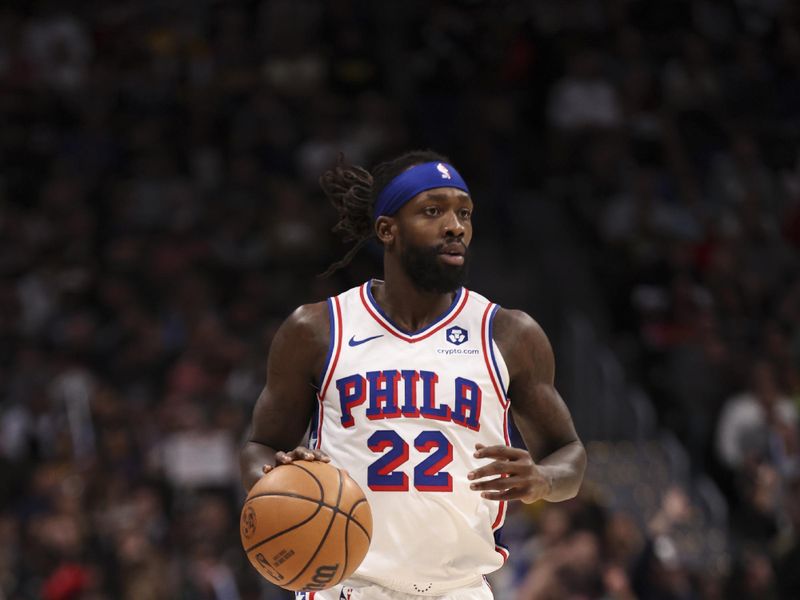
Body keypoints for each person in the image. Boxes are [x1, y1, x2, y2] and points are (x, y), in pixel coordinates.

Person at [240, 150, 586, 599]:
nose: (455, 226)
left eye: (464, 212)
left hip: (458, 590)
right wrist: (277, 476)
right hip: (348, 586)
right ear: (388, 229)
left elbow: (569, 454)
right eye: (433, 211)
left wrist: (543, 480)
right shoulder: (317, 329)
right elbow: (258, 447)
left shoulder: (508, 334)